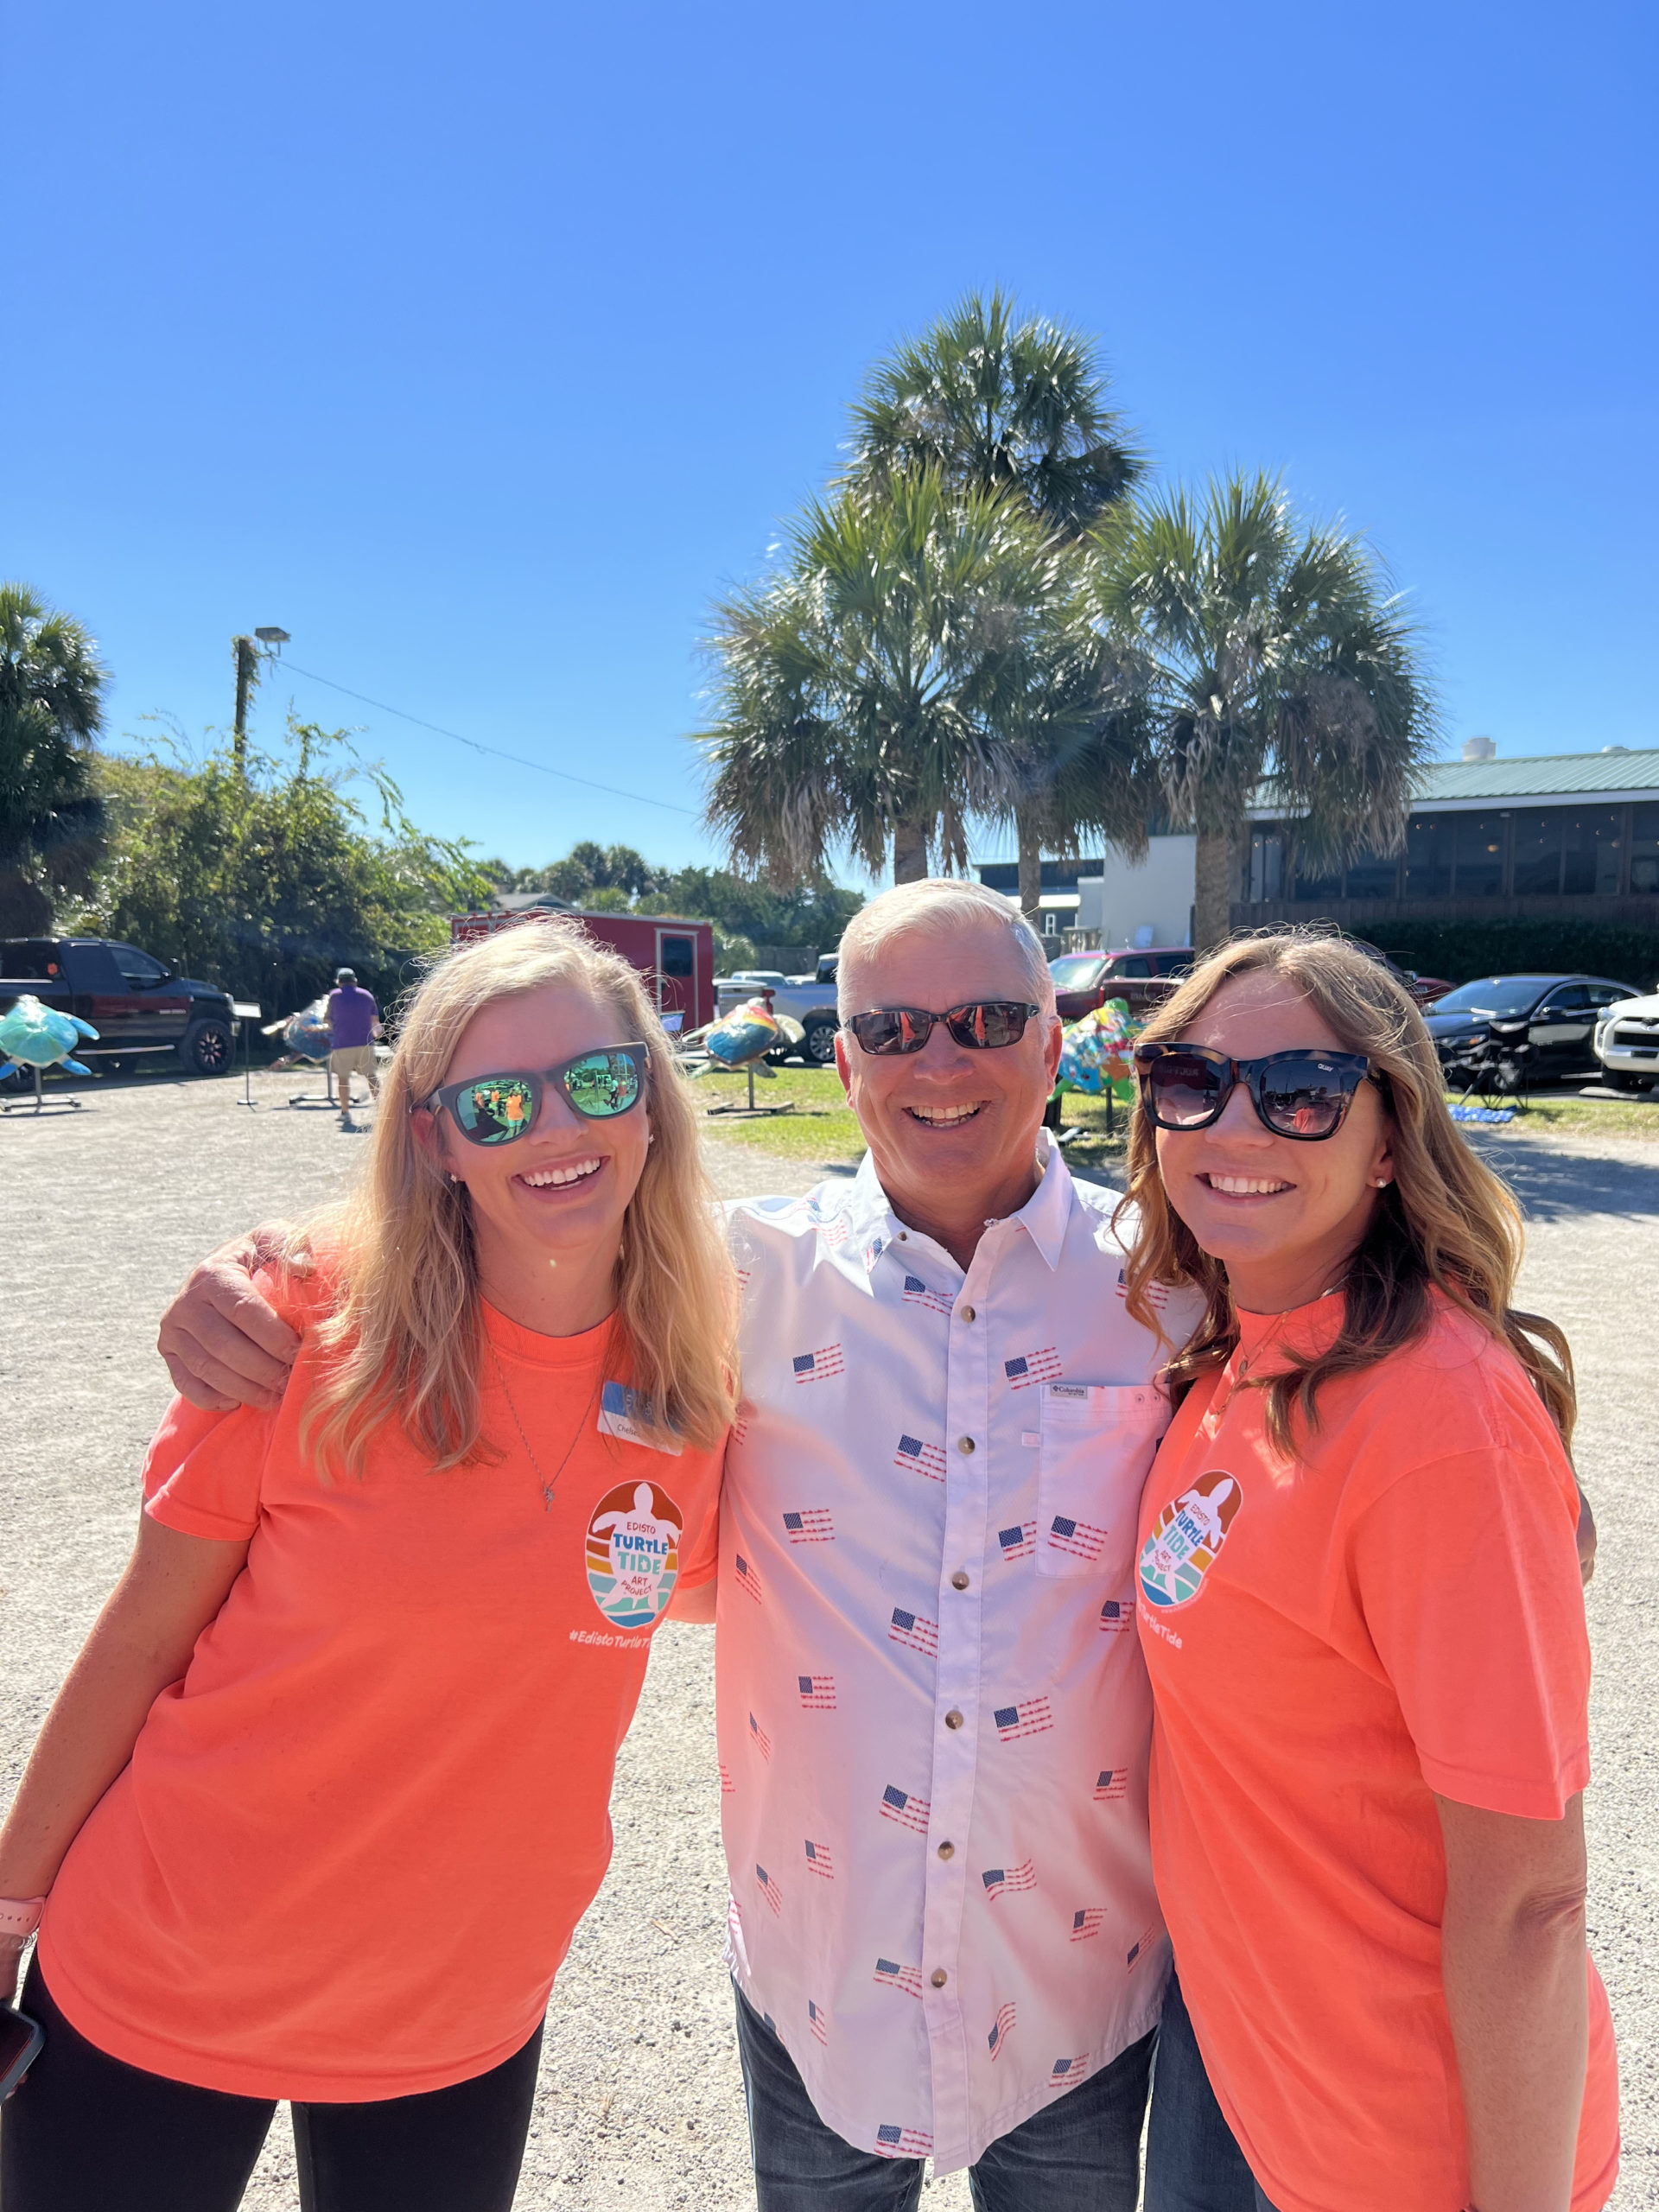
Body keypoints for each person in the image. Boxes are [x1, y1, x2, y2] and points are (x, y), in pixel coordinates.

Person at [155, 879, 1205, 2210]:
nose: (939, 1061)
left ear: (1054, 1040)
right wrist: (268, 1268)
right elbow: (500, 1246)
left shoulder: (1173, 1283)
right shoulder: (731, 1279)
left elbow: (1332, 1414)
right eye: (892, 1030)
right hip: (825, 1970)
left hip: (1079, 1967)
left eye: (988, 1019)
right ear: (845, 1057)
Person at [0, 919, 734, 2212]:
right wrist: (5, 1913)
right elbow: (142, 1640)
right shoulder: (290, 1332)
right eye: (497, 1104)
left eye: (602, 1082)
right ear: (434, 1141)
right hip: (167, 1966)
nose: (558, 1130)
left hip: (459, 2013)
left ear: (654, 1104)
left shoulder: (707, 1369)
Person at [1123, 932, 1619, 2212]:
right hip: (1255, 2085)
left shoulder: (1441, 1420)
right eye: (1192, 1078)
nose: (1238, 1125)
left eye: (1301, 1092)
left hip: (1409, 2152)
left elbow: (1530, 1908)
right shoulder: (1248, 1354)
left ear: (1390, 1140)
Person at [327, 965, 381, 1124]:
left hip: (342, 1043)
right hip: (365, 1042)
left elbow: (328, 1019)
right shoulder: (367, 995)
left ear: (339, 983)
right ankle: (383, 1110)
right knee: (371, 1076)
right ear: (355, 981)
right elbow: (375, 1022)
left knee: (343, 1079)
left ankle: (345, 1112)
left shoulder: (334, 996)